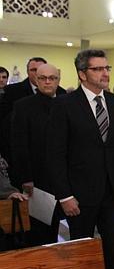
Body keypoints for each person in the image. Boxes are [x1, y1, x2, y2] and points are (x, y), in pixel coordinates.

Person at [47, 49, 114, 269]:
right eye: (98, 69)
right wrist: (64, 195)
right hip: (79, 194)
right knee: (83, 250)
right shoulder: (64, 104)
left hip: (113, 190)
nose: (105, 73)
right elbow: (55, 154)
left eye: (106, 68)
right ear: (83, 74)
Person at [11, 64, 66, 247]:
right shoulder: (24, 106)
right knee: (40, 230)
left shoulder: (69, 101)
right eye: (43, 78)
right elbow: (19, 144)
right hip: (39, 178)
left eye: (52, 78)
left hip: (67, 176)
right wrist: (26, 177)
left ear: (58, 79)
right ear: (36, 79)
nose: (48, 81)